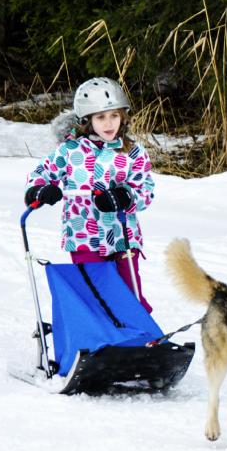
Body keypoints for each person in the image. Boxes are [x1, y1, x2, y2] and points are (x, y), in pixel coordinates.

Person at [24, 76, 155, 312]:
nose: (109, 123)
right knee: (95, 291)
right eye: (101, 117)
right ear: (87, 120)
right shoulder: (70, 151)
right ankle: (100, 341)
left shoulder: (133, 152)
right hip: (83, 236)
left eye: (114, 115)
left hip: (123, 236)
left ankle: (142, 338)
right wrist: (41, 188)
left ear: (123, 117)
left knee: (129, 292)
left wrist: (126, 196)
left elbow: (145, 189)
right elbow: (42, 172)